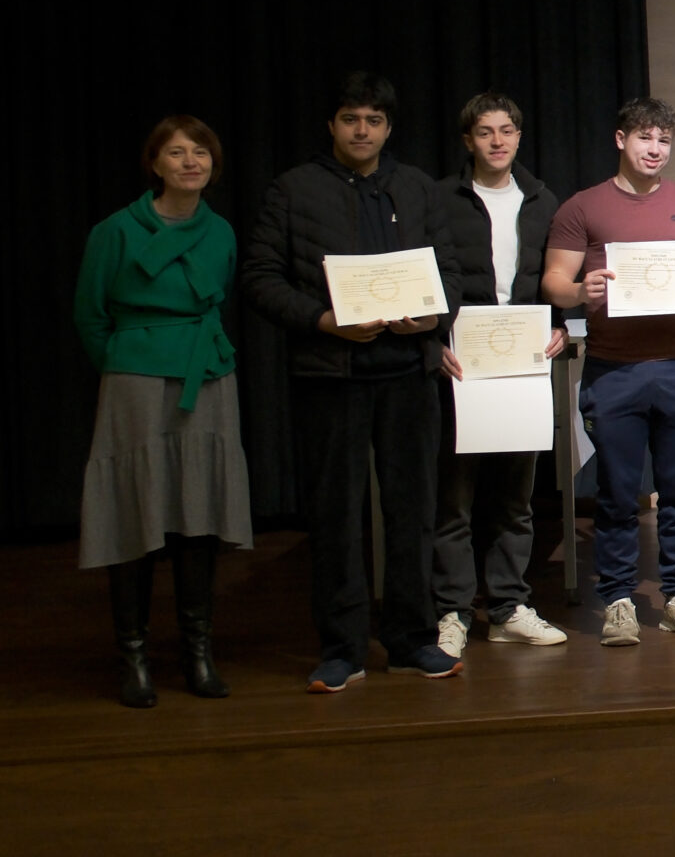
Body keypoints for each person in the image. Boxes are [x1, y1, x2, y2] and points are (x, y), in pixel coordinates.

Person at [242, 72, 468, 691]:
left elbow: (448, 271)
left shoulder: (416, 187)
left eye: (373, 120)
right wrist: (322, 320)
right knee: (336, 517)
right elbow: (260, 278)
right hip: (329, 375)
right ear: (332, 126)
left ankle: (411, 639)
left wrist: (432, 314)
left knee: (413, 514)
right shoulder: (293, 190)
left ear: (388, 127)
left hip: (408, 378)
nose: (361, 130)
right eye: (350, 119)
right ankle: (341, 647)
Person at [543, 98, 675, 645]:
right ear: (621, 139)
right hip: (614, 368)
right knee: (617, 491)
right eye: (645, 139)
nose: (655, 150)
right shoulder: (583, 206)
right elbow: (554, 281)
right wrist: (581, 290)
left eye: (664, 142)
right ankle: (620, 599)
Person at [75, 115, 252, 707]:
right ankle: (134, 656)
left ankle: (197, 652)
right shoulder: (115, 231)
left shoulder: (222, 231)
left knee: (196, 512)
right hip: (136, 379)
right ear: (155, 164)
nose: (190, 162)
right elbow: (90, 317)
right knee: (134, 511)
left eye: (200, 152)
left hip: (206, 375)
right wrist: (132, 359)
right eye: (176, 152)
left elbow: (219, 297)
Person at [432, 93, 568, 653]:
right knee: (455, 500)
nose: (497, 141)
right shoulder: (440, 199)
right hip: (462, 361)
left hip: (522, 362)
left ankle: (510, 604)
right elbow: (427, 272)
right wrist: (433, 340)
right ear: (468, 140)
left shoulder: (542, 199)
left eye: (506, 130)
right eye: (484, 132)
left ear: (518, 136)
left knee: (517, 497)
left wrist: (561, 324)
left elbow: (554, 274)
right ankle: (454, 612)